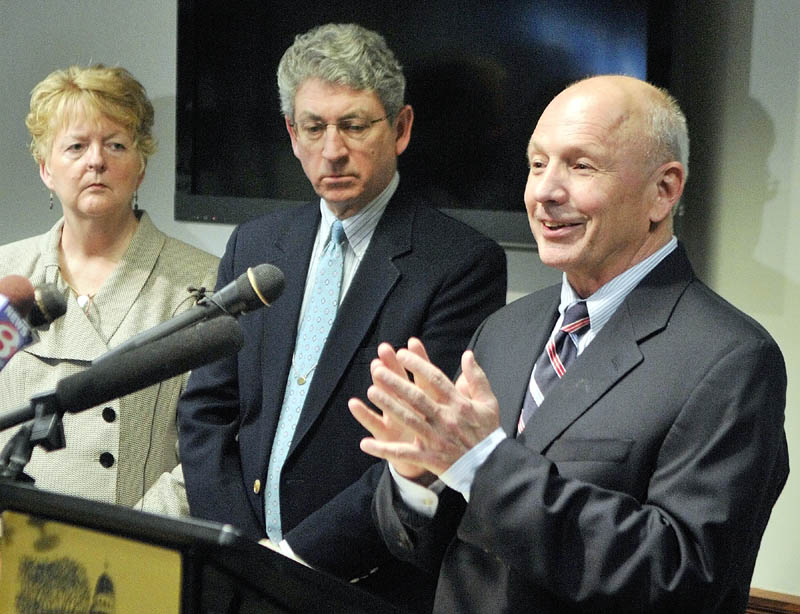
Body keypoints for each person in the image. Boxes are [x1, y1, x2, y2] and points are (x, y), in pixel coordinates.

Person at [349, 75, 789, 613]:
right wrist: (418, 475)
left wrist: (483, 465)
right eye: (537, 165)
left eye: (581, 166)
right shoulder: (504, 331)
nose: (545, 192)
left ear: (664, 190)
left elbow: (683, 576)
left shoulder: (732, 359)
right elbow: (435, 547)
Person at [177, 22, 507, 611]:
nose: (332, 149)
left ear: (400, 128)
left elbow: (420, 449)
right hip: (239, 575)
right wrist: (239, 551)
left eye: (354, 125)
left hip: (359, 584)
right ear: (292, 133)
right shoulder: (254, 245)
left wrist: (293, 560)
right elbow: (207, 409)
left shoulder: (459, 263)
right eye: (314, 128)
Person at [0, 65, 219, 509]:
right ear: (46, 168)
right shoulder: (8, 272)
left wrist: (138, 536)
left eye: (115, 145)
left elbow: (208, 446)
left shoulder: (201, 282)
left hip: (132, 547)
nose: (96, 160)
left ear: (140, 166)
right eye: (76, 146)